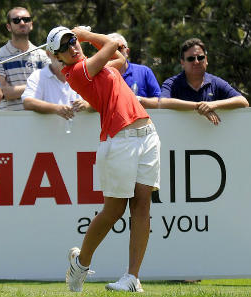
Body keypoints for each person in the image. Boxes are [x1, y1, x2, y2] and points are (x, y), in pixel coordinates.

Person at [46, 26, 158, 293]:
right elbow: (110, 44)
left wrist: (82, 37)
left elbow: (120, 55)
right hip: (119, 140)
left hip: (147, 134)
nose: (73, 47)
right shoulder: (76, 72)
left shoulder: (98, 67)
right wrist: (84, 34)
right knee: (114, 210)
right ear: (58, 57)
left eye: (73, 42)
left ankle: (132, 277)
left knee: (142, 206)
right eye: (65, 47)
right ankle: (80, 263)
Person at [160, 38, 249, 123]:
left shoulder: (215, 82)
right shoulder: (172, 83)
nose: (196, 62)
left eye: (200, 57)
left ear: (206, 60)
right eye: (191, 59)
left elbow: (243, 102)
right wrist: (198, 106)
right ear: (182, 63)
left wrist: (214, 105)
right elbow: (162, 103)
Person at [0, 7, 50, 111]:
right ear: (9, 27)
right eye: (16, 20)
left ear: (31, 24)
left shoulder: (44, 55)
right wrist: (37, 85)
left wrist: (15, 91)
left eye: (26, 19)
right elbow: (3, 92)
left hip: (39, 118)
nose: (22, 23)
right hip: (10, 120)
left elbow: (50, 86)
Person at [21, 50, 92, 118]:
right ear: (48, 53)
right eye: (57, 52)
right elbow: (28, 102)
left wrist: (87, 105)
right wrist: (56, 108)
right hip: (48, 130)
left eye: (65, 50)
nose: (61, 55)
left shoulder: (84, 74)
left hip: (81, 129)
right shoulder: (38, 75)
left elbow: (101, 102)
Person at [107, 32, 161, 98]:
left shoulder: (144, 72)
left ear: (127, 52)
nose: (115, 53)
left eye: (119, 48)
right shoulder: (99, 75)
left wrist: (140, 101)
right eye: (109, 49)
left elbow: (159, 101)